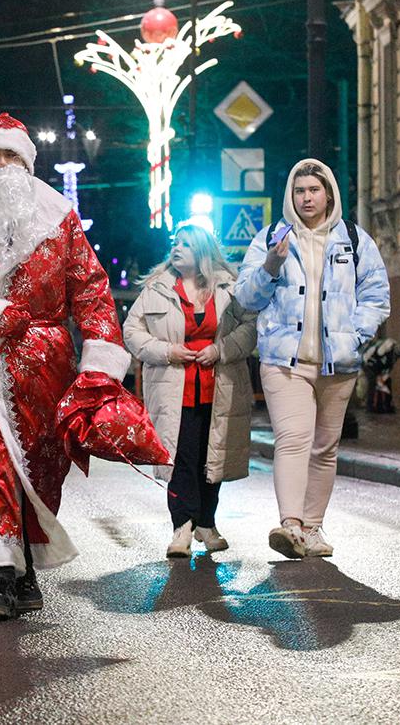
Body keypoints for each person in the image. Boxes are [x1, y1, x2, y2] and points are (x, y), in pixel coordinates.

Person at [0, 114, 130, 621]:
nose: (2, 166)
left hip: (46, 365)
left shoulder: (61, 219)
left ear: (28, 163)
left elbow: (92, 289)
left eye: (11, 156)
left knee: (40, 465)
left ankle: (27, 567)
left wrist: (100, 362)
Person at [235, 158, 390, 558]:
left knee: (325, 447)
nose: (306, 197)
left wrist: (355, 336)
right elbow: (246, 298)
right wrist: (272, 263)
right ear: (291, 195)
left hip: (338, 363)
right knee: (293, 439)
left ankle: (313, 527)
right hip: (284, 362)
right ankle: (290, 525)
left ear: (328, 194)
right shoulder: (271, 238)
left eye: (313, 190)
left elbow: (376, 295)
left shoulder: (355, 240)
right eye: (299, 190)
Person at [122, 220, 256, 557]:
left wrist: (220, 349)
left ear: (203, 251)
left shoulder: (230, 287)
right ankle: (182, 527)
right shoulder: (157, 288)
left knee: (212, 459)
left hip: (219, 388)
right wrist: (167, 351)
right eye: (175, 242)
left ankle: (207, 524)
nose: (176, 248)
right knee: (180, 459)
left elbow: (251, 327)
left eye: (185, 243)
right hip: (173, 390)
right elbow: (132, 331)